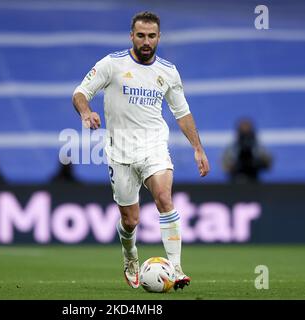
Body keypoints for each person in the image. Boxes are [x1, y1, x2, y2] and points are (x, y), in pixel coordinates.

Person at [72, 11, 210, 290]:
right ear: (131, 36)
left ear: (159, 37)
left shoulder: (168, 71)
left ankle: (176, 267)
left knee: (163, 197)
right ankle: (130, 254)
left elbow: (182, 113)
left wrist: (198, 148)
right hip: (120, 152)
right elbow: (80, 92)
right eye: (141, 35)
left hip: (154, 146)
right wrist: (86, 113)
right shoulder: (112, 64)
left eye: (151, 36)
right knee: (130, 220)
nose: (146, 41)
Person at [222, 118, 272, 183]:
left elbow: (268, 164)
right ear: (238, 133)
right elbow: (225, 167)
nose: (246, 137)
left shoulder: (258, 148)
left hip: (255, 182)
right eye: (243, 134)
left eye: (248, 133)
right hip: (235, 182)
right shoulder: (231, 148)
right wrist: (236, 165)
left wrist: (257, 162)